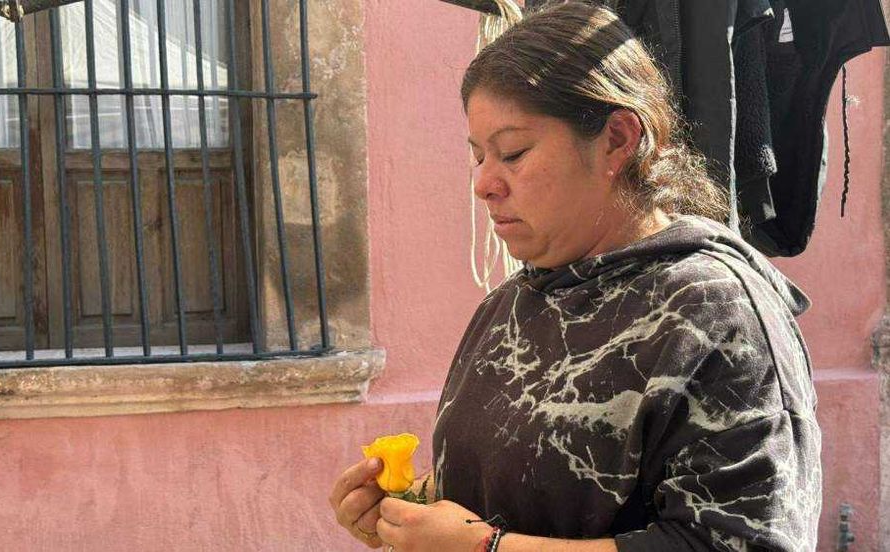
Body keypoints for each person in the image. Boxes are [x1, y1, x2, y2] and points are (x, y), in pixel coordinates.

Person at [329, 2, 822, 550]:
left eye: (512, 153)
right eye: (478, 156)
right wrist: (409, 506)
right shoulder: (511, 303)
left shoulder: (715, 314)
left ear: (617, 139)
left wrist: (483, 548)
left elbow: (737, 543)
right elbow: (537, 492)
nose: (484, 184)